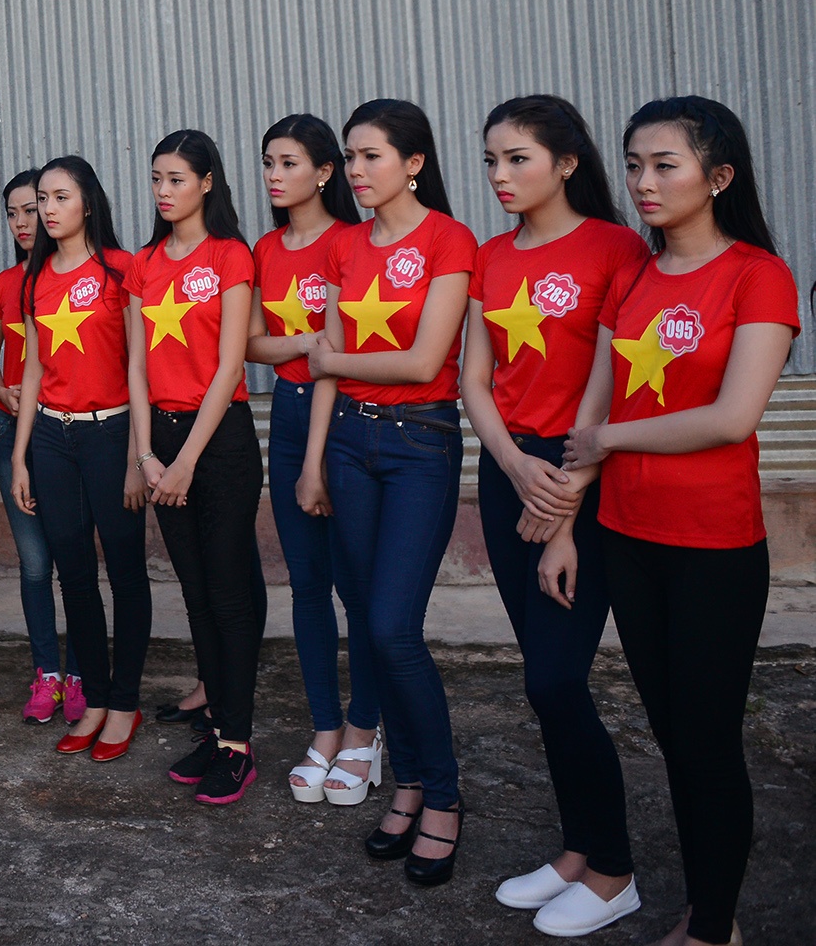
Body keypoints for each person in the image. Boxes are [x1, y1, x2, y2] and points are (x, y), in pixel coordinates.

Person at [559, 97, 798, 946]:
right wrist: (565, 521)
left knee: (706, 742)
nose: (643, 181)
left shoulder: (757, 275)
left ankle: (712, 927)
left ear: (718, 176)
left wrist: (609, 439)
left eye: (665, 164)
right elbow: (596, 401)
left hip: (713, 548)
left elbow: (733, 417)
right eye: (633, 164)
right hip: (627, 537)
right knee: (670, 734)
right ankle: (706, 908)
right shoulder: (632, 275)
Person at [458, 95, 649, 935]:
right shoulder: (491, 257)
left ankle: (614, 872)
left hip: (582, 475)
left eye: (518, 158)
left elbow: (614, 384)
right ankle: (578, 851)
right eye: (491, 160)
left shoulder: (617, 248)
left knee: (557, 678)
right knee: (542, 677)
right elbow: (474, 379)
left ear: (566, 163)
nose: (499, 175)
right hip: (512, 471)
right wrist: (511, 466)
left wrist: (564, 505)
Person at [309, 98, 476, 887]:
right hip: (348, 443)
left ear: (414, 163)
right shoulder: (343, 244)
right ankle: (406, 783)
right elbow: (327, 359)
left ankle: (442, 795)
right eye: (350, 156)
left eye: (371, 155)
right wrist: (314, 458)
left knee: (394, 629)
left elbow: (423, 362)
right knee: (369, 627)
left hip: (419, 445)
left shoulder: (448, 239)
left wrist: (331, 362)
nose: (356, 170)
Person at [126, 130, 263, 804]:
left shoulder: (231, 255)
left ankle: (238, 744)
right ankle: (216, 728)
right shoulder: (144, 262)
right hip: (163, 442)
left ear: (207, 183)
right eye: (157, 178)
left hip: (221, 442)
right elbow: (135, 366)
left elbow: (230, 364)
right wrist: (147, 455)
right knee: (197, 593)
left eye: (177, 178)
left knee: (230, 595)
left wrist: (184, 461)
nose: (163, 190)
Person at [246, 115, 372, 803]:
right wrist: (303, 344)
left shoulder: (351, 243)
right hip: (289, 414)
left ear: (325, 172)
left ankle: (365, 726)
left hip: (344, 416)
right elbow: (252, 345)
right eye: (269, 161)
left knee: (359, 586)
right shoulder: (265, 248)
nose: (274, 174)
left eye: (289, 162)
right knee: (306, 585)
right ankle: (325, 726)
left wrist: (315, 460)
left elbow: (339, 357)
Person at [7, 156, 145, 762]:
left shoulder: (122, 268)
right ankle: (95, 699)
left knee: (125, 572)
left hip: (111, 435)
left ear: (88, 201)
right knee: (74, 575)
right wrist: (20, 457)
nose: (47, 209)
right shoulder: (35, 279)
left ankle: (125, 702)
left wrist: (140, 455)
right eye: (42, 198)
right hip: (51, 440)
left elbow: (139, 366)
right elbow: (34, 369)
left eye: (60, 196)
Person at [0, 169, 84, 723]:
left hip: (64, 431)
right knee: (35, 562)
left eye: (32, 208)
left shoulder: (74, 276)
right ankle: (46, 673)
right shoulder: (4, 285)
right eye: (13, 213)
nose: (24, 221)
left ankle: (82, 674)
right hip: (10, 432)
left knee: (74, 559)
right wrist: (4, 391)